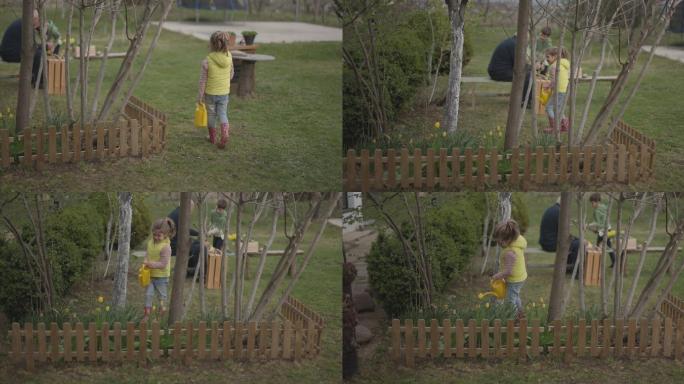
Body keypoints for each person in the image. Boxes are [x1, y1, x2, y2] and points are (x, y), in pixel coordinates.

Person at [0, 9, 61, 87]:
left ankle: (33, 77)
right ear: (34, 19)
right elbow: (30, 47)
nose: (39, 23)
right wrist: (46, 46)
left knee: (37, 52)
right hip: (9, 53)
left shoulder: (24, 23)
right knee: (37, 54)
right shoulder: (26, 26)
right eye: (39, 20)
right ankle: (39, 82)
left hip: (11, 50)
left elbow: (30, 45)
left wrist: (44, 45)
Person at [197, 31, 234, 149]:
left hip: (210, 94)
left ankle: (212, 138)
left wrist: (200, 96)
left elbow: (203, 80)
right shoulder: (229, 57)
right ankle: (225, 133)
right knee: (222, 113)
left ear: (212, 44)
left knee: (211, 115)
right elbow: (231, 74)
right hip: (224, 93)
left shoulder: (207, 61)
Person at [492, 220, 528, 320]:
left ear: (509, 239)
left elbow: (508, 271)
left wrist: (497, 276)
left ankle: (514, 319)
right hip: (520, 276)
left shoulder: (510, 253)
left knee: (510, 300)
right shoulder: (517, 243)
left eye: (500, 241)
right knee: (515, 295)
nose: (498, 243)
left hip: (515, 280)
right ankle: (521, 314)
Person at [141, 218, 176, 322]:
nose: (156, 237)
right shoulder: (151, 242)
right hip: (150, 275)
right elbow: (148, 254)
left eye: (159, 235)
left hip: (161, 277)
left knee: (162, 297)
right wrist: (145, 261)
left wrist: (150, 264)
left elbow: (163, 264)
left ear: (166, 235)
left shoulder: (166, 247)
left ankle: (159, 317)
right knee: (148, 295)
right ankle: (147, 315)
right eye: (154, 234)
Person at [487, 35, 533, 107]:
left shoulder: (512, 42)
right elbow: (519, 65)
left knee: (528, 73)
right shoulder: (515, 45)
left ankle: (526, 99)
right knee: (528, 76)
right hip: (498, 72)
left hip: (497, 70)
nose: (527, 43)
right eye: (528, 40)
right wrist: (532, 67)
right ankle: (524, 102)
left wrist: (529, 67)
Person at [539, 198, 580, 273]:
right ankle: (575, 271)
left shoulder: (551, 209)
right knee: (578, 244)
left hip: (545, 243)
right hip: (551, 244)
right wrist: (577, 239)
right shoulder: (560, 212)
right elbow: (564, 234)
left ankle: (568, 268)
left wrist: (576, 238)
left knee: (575, 242)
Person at [543, 47, 570, 133]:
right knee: (559, 108)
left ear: (555, 56)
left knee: (549, 107)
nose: (546, 59)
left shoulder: (554, 66)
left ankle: (555, 127)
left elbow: (554, 81)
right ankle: (565, 126)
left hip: (559, 90)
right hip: (565, 90)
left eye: (548, 57)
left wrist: (549, 86)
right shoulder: (564, 64)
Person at [587, 193, 615, 267]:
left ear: (597, 201)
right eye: (591, 203)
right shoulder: (604, 207)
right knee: (608, 246)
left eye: (592, 203)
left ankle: (596, 264)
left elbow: (598, 223)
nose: (592, 205)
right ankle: (614, 262)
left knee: (598, 247)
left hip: (604, 231)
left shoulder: (597, 211)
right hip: (607, 228)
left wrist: (589, 225)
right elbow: (603, 220)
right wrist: (596, 230)